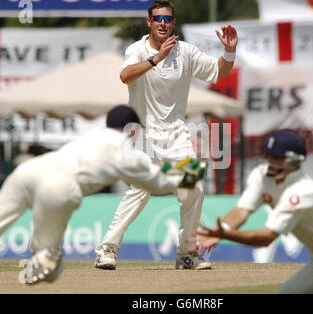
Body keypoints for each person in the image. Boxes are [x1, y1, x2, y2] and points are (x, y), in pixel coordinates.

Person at [94, 0, 238, 270]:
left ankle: (187, 254)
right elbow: (125, 76)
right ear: (149, 22)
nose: (162, 23)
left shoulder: (185, 52)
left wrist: (229, 53)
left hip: (177, 135)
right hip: (143, 135)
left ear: (173, 23)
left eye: (167, 19)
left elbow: (218, 72)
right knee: (139, 190)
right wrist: (156, 59)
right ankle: (106, 250)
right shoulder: (136, 49)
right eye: (157, 19)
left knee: (193, 189)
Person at [0, 105, 206, 285]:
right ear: (133, 130)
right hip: (59, 187)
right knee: (48, 264)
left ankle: (43, 254)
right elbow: (159, 184)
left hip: (27, 172)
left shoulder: (92, 136)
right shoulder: (124, 150)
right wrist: (188, 175)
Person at [194, 129, 313, 293]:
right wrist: (224, 230)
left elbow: (267, 238)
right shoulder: (261, 176)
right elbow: (242, 210)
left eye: (277, 158)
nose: (270, 162)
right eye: (269, 155)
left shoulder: (302, 192)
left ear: (295, 161)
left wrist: (225, 235)